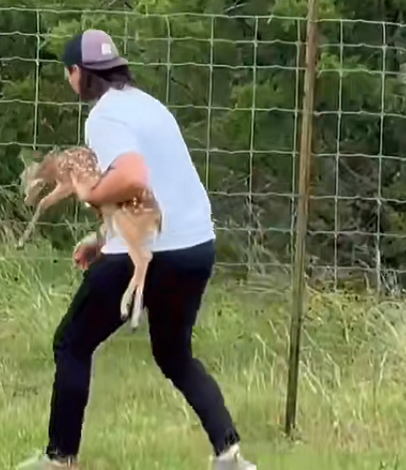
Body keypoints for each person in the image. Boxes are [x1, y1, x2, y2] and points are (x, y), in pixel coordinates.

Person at [17, 30, 256, 470]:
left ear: (78, 74)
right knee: (174, 354)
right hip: (195, 245)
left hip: (154, 251)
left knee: (71, 344)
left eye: (68, 71)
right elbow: (153, 193)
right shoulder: (150, 106)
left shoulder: (103, 116)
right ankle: (230, 455)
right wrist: (102, 241)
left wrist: (91, 199)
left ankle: (59, 459)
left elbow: (132, 177)